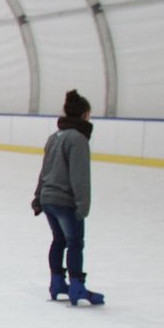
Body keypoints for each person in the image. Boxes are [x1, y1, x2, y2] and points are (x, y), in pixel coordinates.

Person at [32, 89, 104, 306]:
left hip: (48, 199)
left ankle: (56, 283)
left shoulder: (54, 137)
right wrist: (83, 205)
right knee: (74, 242)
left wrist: (38, 197)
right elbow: (79, 176)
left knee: (59, 240)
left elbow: (44, 170)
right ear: (84, 115)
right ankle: (76, 286)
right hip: (65, 201)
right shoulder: (78, 139)